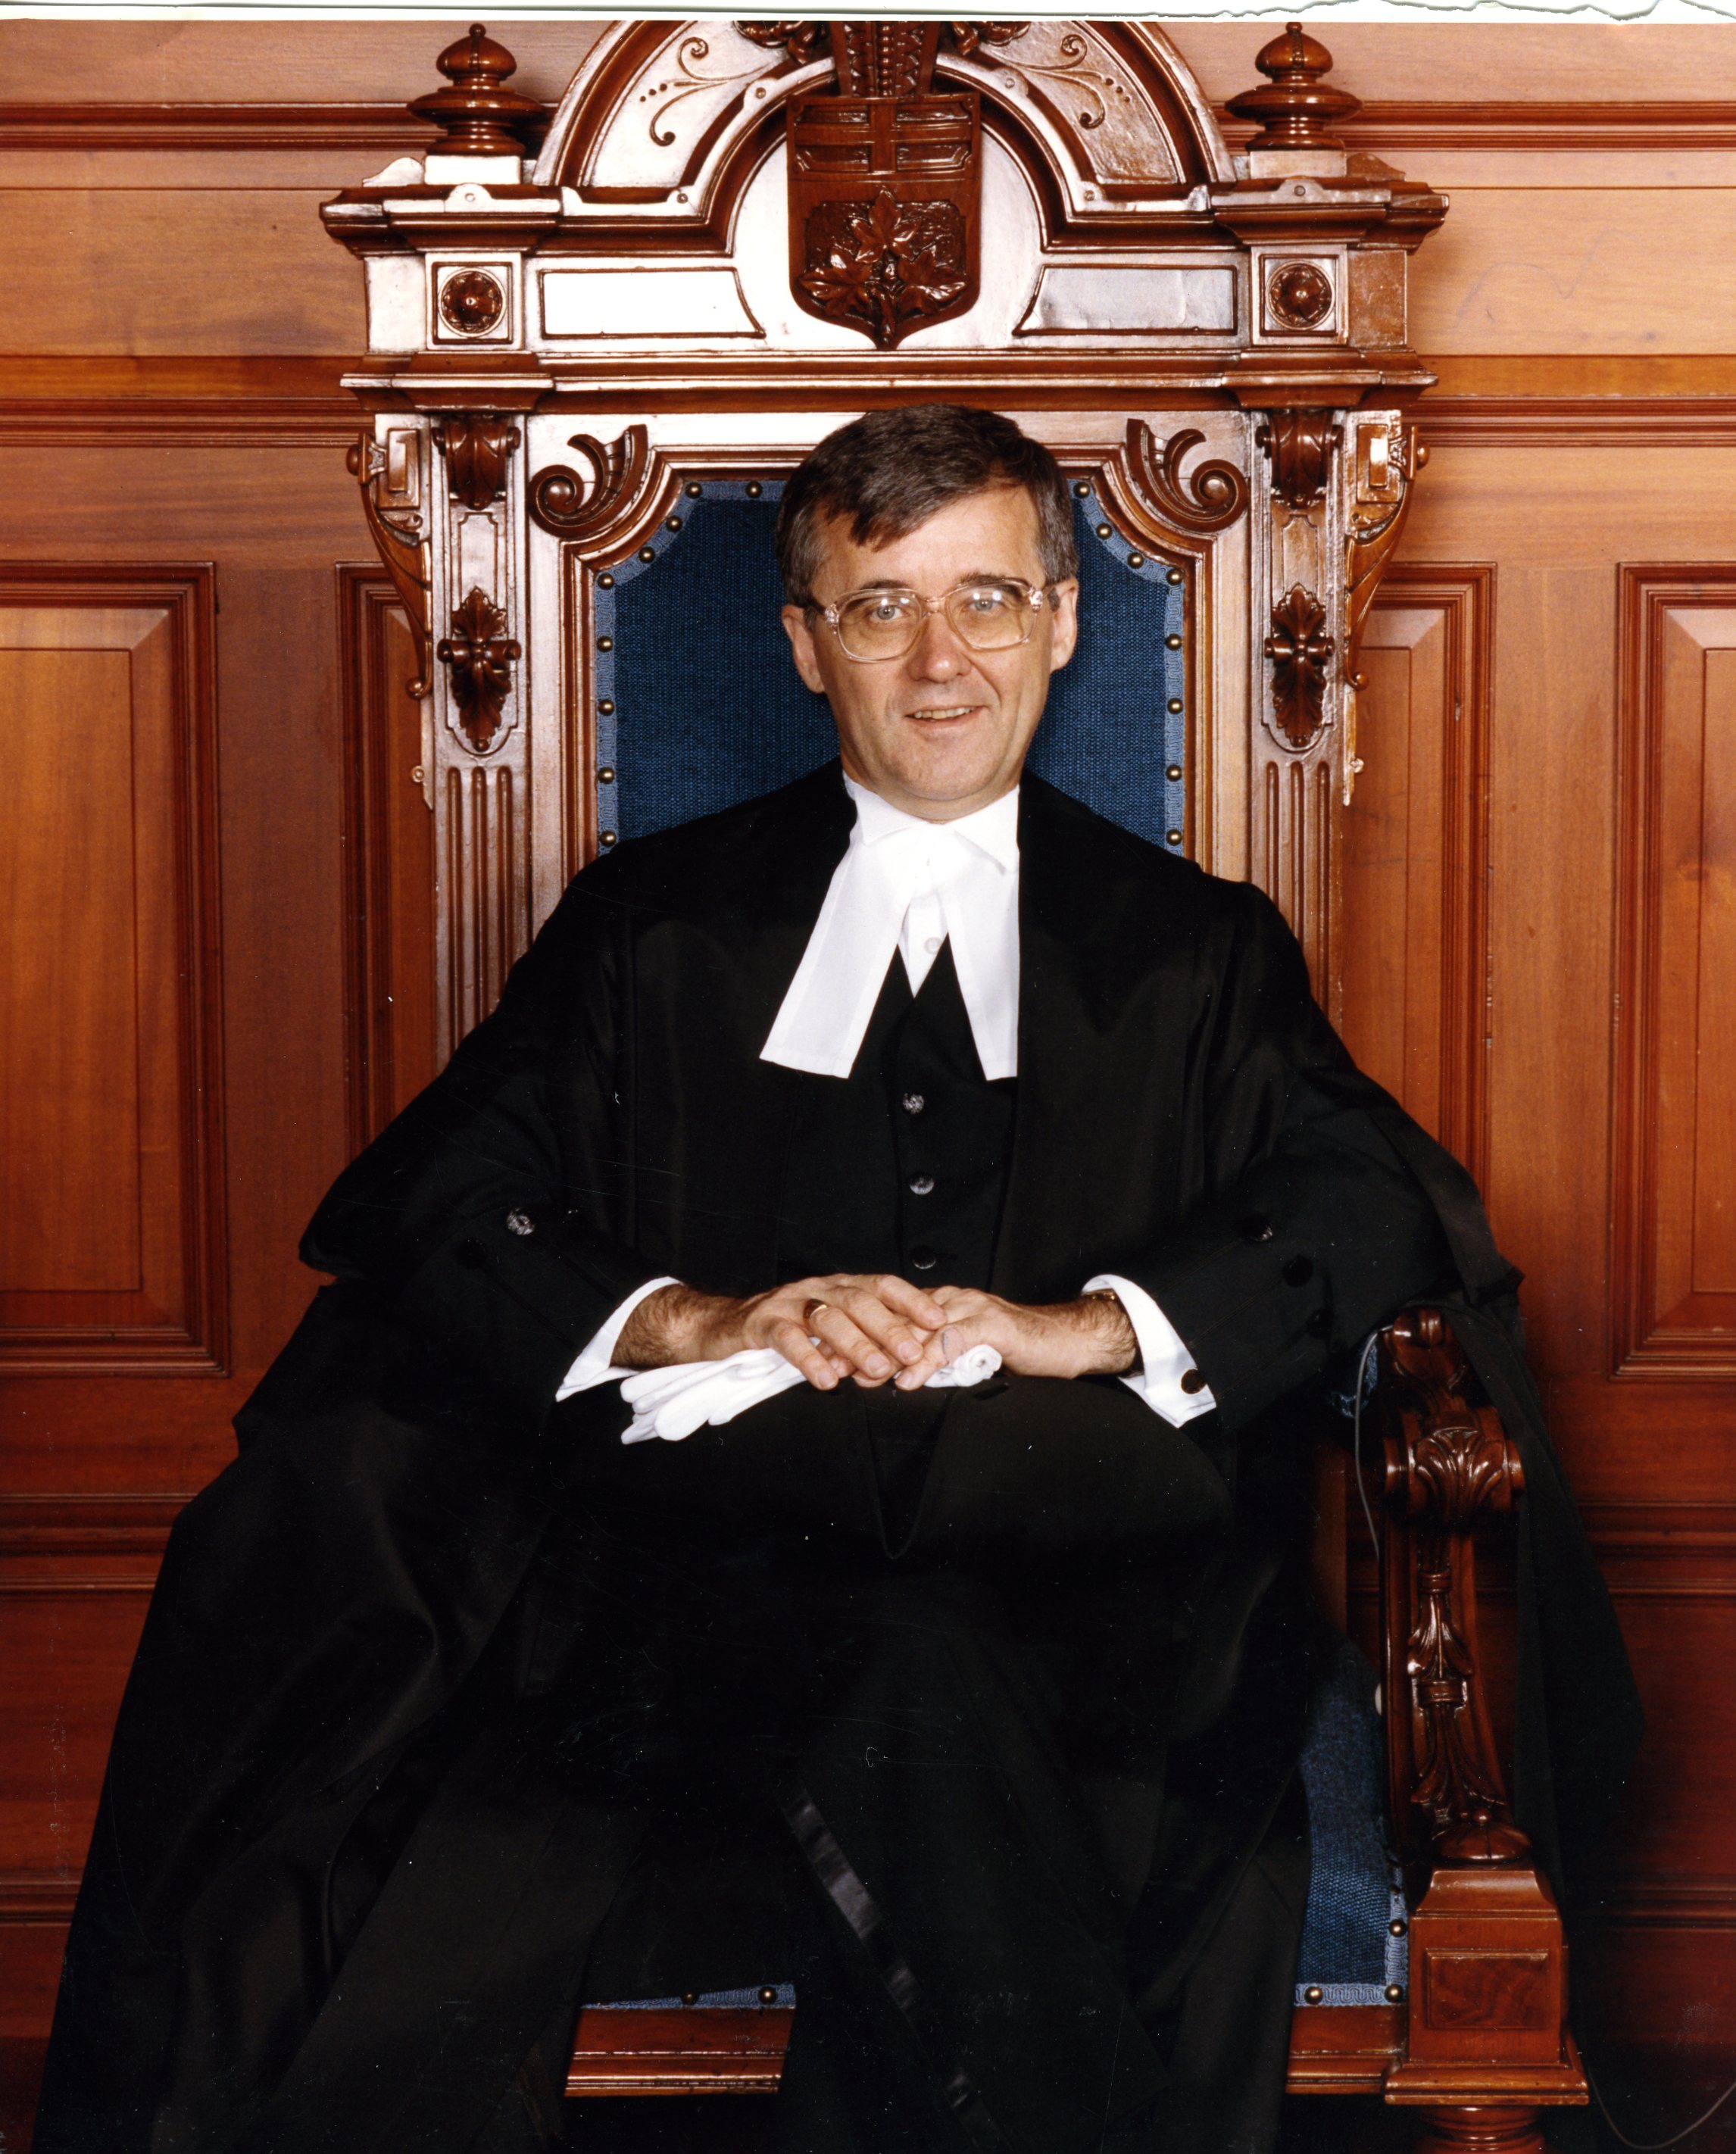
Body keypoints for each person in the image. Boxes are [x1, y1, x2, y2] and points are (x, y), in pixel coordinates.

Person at [34, 405, 1638, 2154]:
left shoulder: (1194, 949)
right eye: (882, 608)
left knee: (927, 1662)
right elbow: (439, 1196)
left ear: (1067, 620)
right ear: (805, 645)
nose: (944, 661)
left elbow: (1370, 1194)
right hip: (713, 1579)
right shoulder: (654, 925)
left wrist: (1080, 1327)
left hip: (1078, 1576)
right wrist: (702, 1320)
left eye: (991, 600)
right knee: (882, 1661)